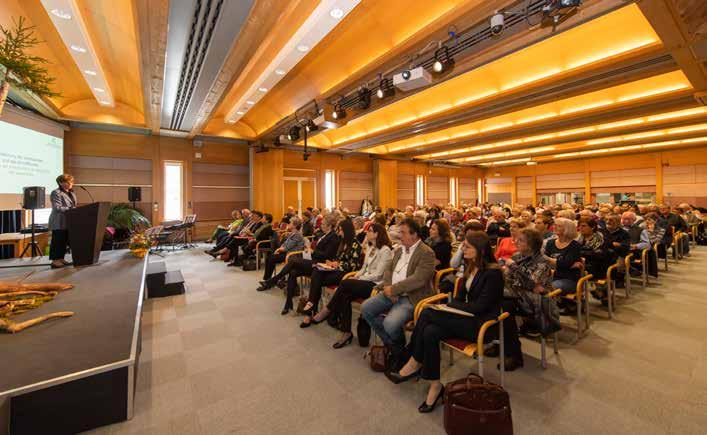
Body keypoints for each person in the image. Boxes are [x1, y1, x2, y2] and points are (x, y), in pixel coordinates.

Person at [389, 231, 503, 413]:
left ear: (480, 250)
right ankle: (435, 385)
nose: (462, 249)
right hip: (465, 318)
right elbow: (459, 298)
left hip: (481, 325)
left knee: (427, 312)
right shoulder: (470, 266)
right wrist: (450, 307)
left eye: (467, 246)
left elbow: (480, 307)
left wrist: (450, 307)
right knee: (430, 331)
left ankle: (414, 360)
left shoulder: (493, 273)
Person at [360, 218, 436, 357]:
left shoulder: (426, 253)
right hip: (391, 292)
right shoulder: (399, 250)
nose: (399, 236)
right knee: (366, 308)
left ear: (414, 234)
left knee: (390, 323)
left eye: (403, 233)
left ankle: (396, 349)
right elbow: (388, 269)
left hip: (411, 296)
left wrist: (394, 289)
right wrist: (388, 286)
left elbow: (418, 279)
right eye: (399, 232)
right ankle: (397, 348)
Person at [319, 223, 393, 348]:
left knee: (345, 283)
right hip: (364, 281)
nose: (367, 233)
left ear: (377, 234)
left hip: (375, 285)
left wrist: (359, 278)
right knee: (345, 295)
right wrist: (357, 276)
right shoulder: (370, 247)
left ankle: (328, 310)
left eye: (370, 231)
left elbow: (378, 275)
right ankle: (346, 331)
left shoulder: (385, 250)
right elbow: (364, 268)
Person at [495, 228, 554, 371]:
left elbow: (532, 284)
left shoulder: (543, 261)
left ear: (531, 244)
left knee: (505, 307)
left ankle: (515, 355)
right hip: (516, 295)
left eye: (521, 240)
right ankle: (499, 344)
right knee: (494, 301)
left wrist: (513, 268)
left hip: (536, 302)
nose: (516, 241)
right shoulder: (517, 256)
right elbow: (509, 279)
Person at [261, 215, 340, 313]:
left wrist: (312, 251)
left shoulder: (333, 237)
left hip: (321, 265)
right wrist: (309, 250)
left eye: (323, 224)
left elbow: (327, 255)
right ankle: (288, 302)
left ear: (330, 226)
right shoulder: (325, 235)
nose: (321, 226)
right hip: (313, 260)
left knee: (293, 260)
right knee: (293, 272)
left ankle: (273, 280)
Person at [300, 219, 364, 327]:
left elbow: (354, 266)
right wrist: (332, 263)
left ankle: (310, 309)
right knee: (317, 271)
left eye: (341, 230)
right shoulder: (342, 242)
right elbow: (337, 258)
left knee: (317, 280)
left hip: (345, 274)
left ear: (347, 231)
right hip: (335, 270)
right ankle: (311, 307)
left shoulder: (356, 245)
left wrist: (338, 265)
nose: (339, 233)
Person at [543, 218, 581, 313]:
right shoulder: (551, 243)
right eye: (554, 225)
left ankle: (550, 313)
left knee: (549, 288)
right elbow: (544, 262)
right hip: (551, 276)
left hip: (569, 279)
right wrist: (561, 263)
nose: (554, 227)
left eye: (558, 226)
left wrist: (549, 260)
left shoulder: (574, 245)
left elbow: (565, 264)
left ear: (567, 229)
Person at [259, 217, 305, 283]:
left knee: (271, 258)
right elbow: (284, 244)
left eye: (290, 223)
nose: (288, 224)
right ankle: (267, 279)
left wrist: (278, 250)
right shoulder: (292, 233)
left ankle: (267, 280)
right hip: (288, 253)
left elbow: (287, 247)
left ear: (295, 225)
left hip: (293, 255)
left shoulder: (297, 235)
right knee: (270, 258)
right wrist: (280, 249)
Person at [48, 174, 78, 269]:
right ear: (61, 183)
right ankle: (55, 260)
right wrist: (71, 209)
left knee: (64, 241)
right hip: (59, 220)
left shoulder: (72, 193)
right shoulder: (56, 193)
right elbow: (57, 207)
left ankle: (61, 258)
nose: (70, 184)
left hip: (69, 220)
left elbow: (74, 206)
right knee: (57, 240)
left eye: (71, 182)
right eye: (68, 182)